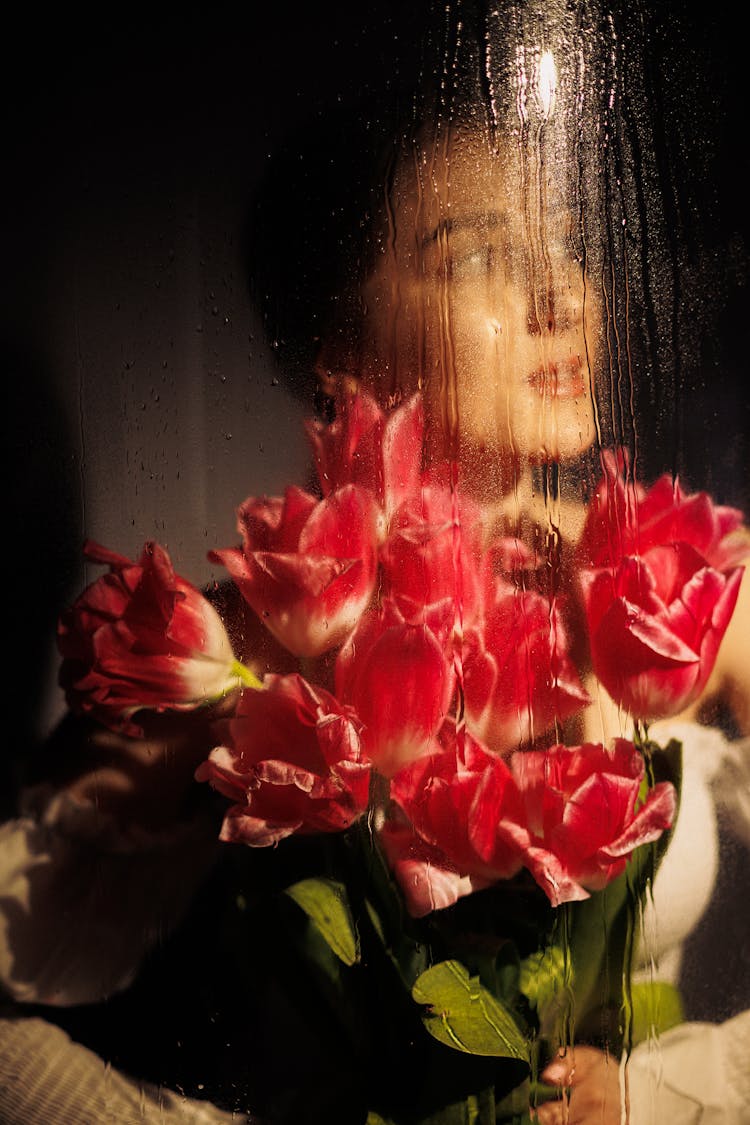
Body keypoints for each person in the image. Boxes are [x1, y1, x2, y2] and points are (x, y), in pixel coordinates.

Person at [2, 3, 749, 1122]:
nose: (565, 302)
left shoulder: (685, 588)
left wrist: (669, 1097)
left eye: (568, 248)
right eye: (486, 259)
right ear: (339, 350)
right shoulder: (245, 640)